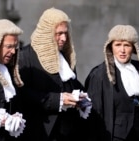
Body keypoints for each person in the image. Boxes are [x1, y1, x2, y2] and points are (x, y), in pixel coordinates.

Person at [84, 25, 139, 141]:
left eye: (127, 45)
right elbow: (93, 115)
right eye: (118, 45)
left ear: (133, 48)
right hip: (114, 136)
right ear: (111, 47)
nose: (122, 50)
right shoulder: (99, 75)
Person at [18, 7, 91, 141]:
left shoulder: (66, 56)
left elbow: (71, 84)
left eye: (65, 33)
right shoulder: (25, 57)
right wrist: (58, 100)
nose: (63, 38)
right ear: (47, 32)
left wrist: (80, 97)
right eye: (59, 33)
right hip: (39, 131)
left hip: (68, 131)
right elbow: (21, 93)